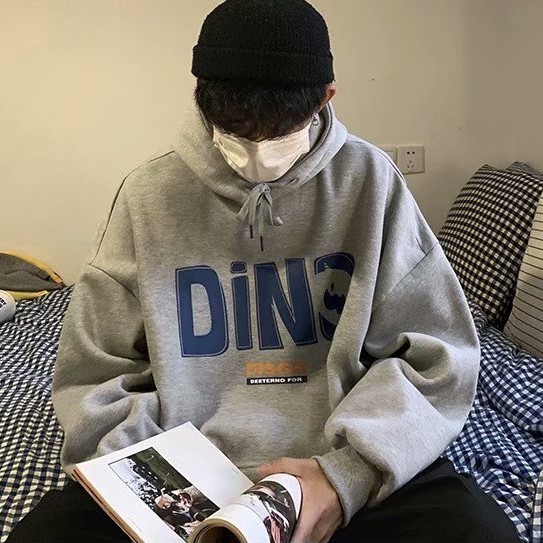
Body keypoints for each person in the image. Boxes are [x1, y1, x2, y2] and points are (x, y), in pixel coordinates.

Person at [8, 1, 520, 542]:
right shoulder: (147, 195)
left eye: (277, 133)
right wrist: (158, 487)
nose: (256, 152)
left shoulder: (371, 182)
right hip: (180, 477)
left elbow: (437, 353)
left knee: (477, 531)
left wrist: (346, 477)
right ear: (200, 98)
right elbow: (95, 370)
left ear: (326, 98)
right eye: (235, 130)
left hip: (337, 466)